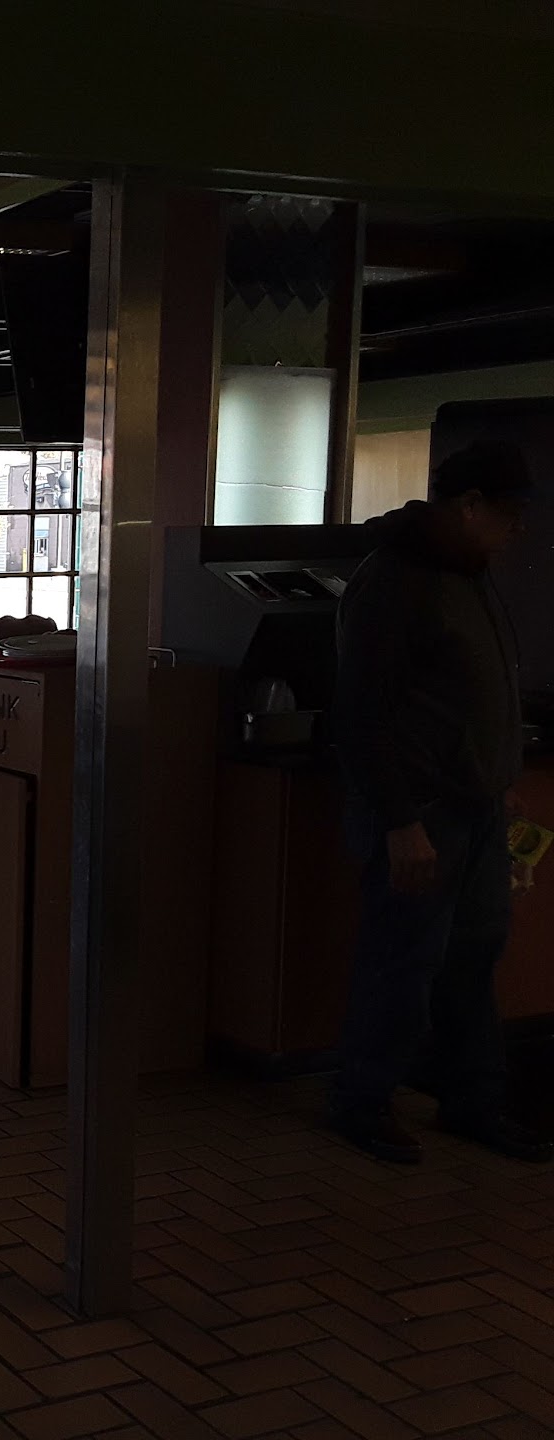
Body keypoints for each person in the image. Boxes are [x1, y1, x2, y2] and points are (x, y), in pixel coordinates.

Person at [328, 439, 549, 1164]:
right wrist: (400, 821)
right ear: (470, 505)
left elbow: (475, 693)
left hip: (474, 807)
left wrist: (498, 778)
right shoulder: (395, 580)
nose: (517, 529)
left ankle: (472, 1100)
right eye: (508, 514)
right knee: (404, 959)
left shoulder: (469, 574)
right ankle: (363, 1102)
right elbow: (362, 714)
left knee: (473, 956)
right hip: (422, 809)